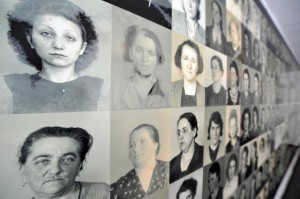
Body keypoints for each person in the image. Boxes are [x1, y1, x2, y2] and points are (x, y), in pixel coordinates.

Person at [1, 0, 107, 113]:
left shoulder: (101, 88)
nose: (58, 45)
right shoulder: (9, 85)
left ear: (82, 48)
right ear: (30, 39)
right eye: (46, 33)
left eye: (69, 37)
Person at [18, 127, 109, 199]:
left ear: (79, 166)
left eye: (67, 159)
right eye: (43, 161)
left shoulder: (107, 194)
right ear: (23, 169)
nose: (55, 170)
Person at [113, 25, 168, 109]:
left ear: (158, 58)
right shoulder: (115, 90)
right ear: (131, 52)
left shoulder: (169, 92)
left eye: (151, 53)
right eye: (139, 50)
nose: (144, 59)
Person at [111, 124, 169, 198]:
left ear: (155, 145)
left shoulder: (171, 170)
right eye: (132, 145)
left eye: (142, 142)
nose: (135, 149)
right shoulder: (119, 187)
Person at [170, 112, 204, 183]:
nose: (180, 136)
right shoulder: (172, 164)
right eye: (178, 133)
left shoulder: (204, 154)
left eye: (184, 131)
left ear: (194, 132)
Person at [171, 40, 205, 107]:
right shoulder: (170, 88)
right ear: (180, 61)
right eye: (185, 58)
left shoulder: (205, 93)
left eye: (193, 61)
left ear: (198, 66)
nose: (189, 66)